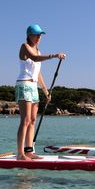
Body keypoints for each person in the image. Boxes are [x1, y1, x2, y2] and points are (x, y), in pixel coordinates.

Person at [16, 24, 66, 160]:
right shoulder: (24, 47)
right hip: (24, 84)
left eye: (40, 35)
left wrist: (45, 91)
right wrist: (54, 55)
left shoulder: (38, 50)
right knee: (25, 120)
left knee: (32, 120)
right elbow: (34, 58)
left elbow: (38, 74)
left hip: (34, 87)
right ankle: (20, 154)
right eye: (36, 35)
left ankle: (29, 151)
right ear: (29, 35)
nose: (39, 38)